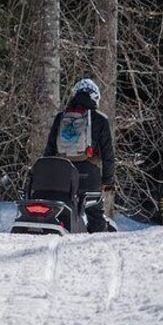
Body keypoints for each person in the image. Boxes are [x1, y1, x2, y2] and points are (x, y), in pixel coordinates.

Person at [43, 78, 115, 232]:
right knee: (95, 214)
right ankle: (94, 248)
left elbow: (49, 149)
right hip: (89, 175)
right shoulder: (101, 119)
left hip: (63, 173)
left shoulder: (61, 117)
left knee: (60, 210)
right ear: (95, 97)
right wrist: (107, 180)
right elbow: (108, 154)